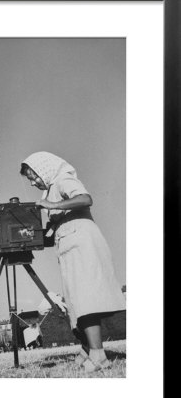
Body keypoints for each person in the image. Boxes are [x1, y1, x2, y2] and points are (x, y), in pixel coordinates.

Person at [20, 151, 126, 372]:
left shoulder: (62, 179)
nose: (33, 182)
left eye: (34, 176)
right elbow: (53, 233)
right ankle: (87, 350)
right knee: (76, 303)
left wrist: (52, 206)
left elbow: (86, 199)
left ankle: (99, 355)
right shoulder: (51, 190)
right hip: (70, 248)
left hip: (83, 244)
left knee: (86, 300)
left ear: (44, 170)